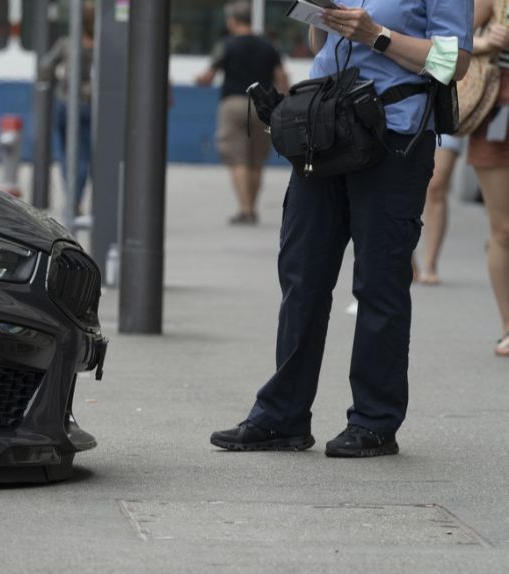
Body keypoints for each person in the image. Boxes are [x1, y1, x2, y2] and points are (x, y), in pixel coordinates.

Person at [210, 1, 473, 457]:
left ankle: (374, 421)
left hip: (394, 136)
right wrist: (324, 17)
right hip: (325, 126)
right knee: (301, 275)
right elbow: (322, 43)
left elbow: (454, 63)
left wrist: (376, 34)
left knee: (379, 281)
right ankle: (282, 416)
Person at [194, 2, 288, 225]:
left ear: (232, 21)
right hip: (263, 106)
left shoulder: (226, 44)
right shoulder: (268, 45)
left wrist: (199, 80)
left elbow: (207, 76)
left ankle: (245, 209)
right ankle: (252, 208)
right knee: (256, 160)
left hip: (234, 104)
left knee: (237, 158)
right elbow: (281, 76)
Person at [469, 0, 509, 356]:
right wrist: (486, 42)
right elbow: (449, 35)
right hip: (499, 114)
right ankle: (508, 326)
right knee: (504, 229)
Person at [38, 4, 95, 217]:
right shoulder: (101, 47)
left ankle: (71, 199)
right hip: (89, 105)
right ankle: (75, 200)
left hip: (65, 104)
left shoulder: (66, 43)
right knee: (83, 156)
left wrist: (51, 81)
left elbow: (45, 66)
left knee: (66, 155)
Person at [417, 134, 462, 285]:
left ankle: (430, 264)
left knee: (436, 186)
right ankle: (404, 257)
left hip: (442, 119)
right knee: (398, 189)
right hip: (404, 118)